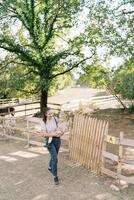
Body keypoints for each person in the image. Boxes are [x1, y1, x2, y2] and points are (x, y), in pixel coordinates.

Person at [40, 108, 65, 185]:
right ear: (46, 114)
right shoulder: (43, 122)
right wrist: (54, 134)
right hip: (49, 141)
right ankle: (55, 177)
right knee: (55, 158)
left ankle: (50, 167)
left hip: (57, 140)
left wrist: (62, 132)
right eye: (49, 114)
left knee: (54, 156)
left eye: (52, 113)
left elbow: (61, 126)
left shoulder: (55, 118)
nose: (51, 115)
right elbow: (44, 134)